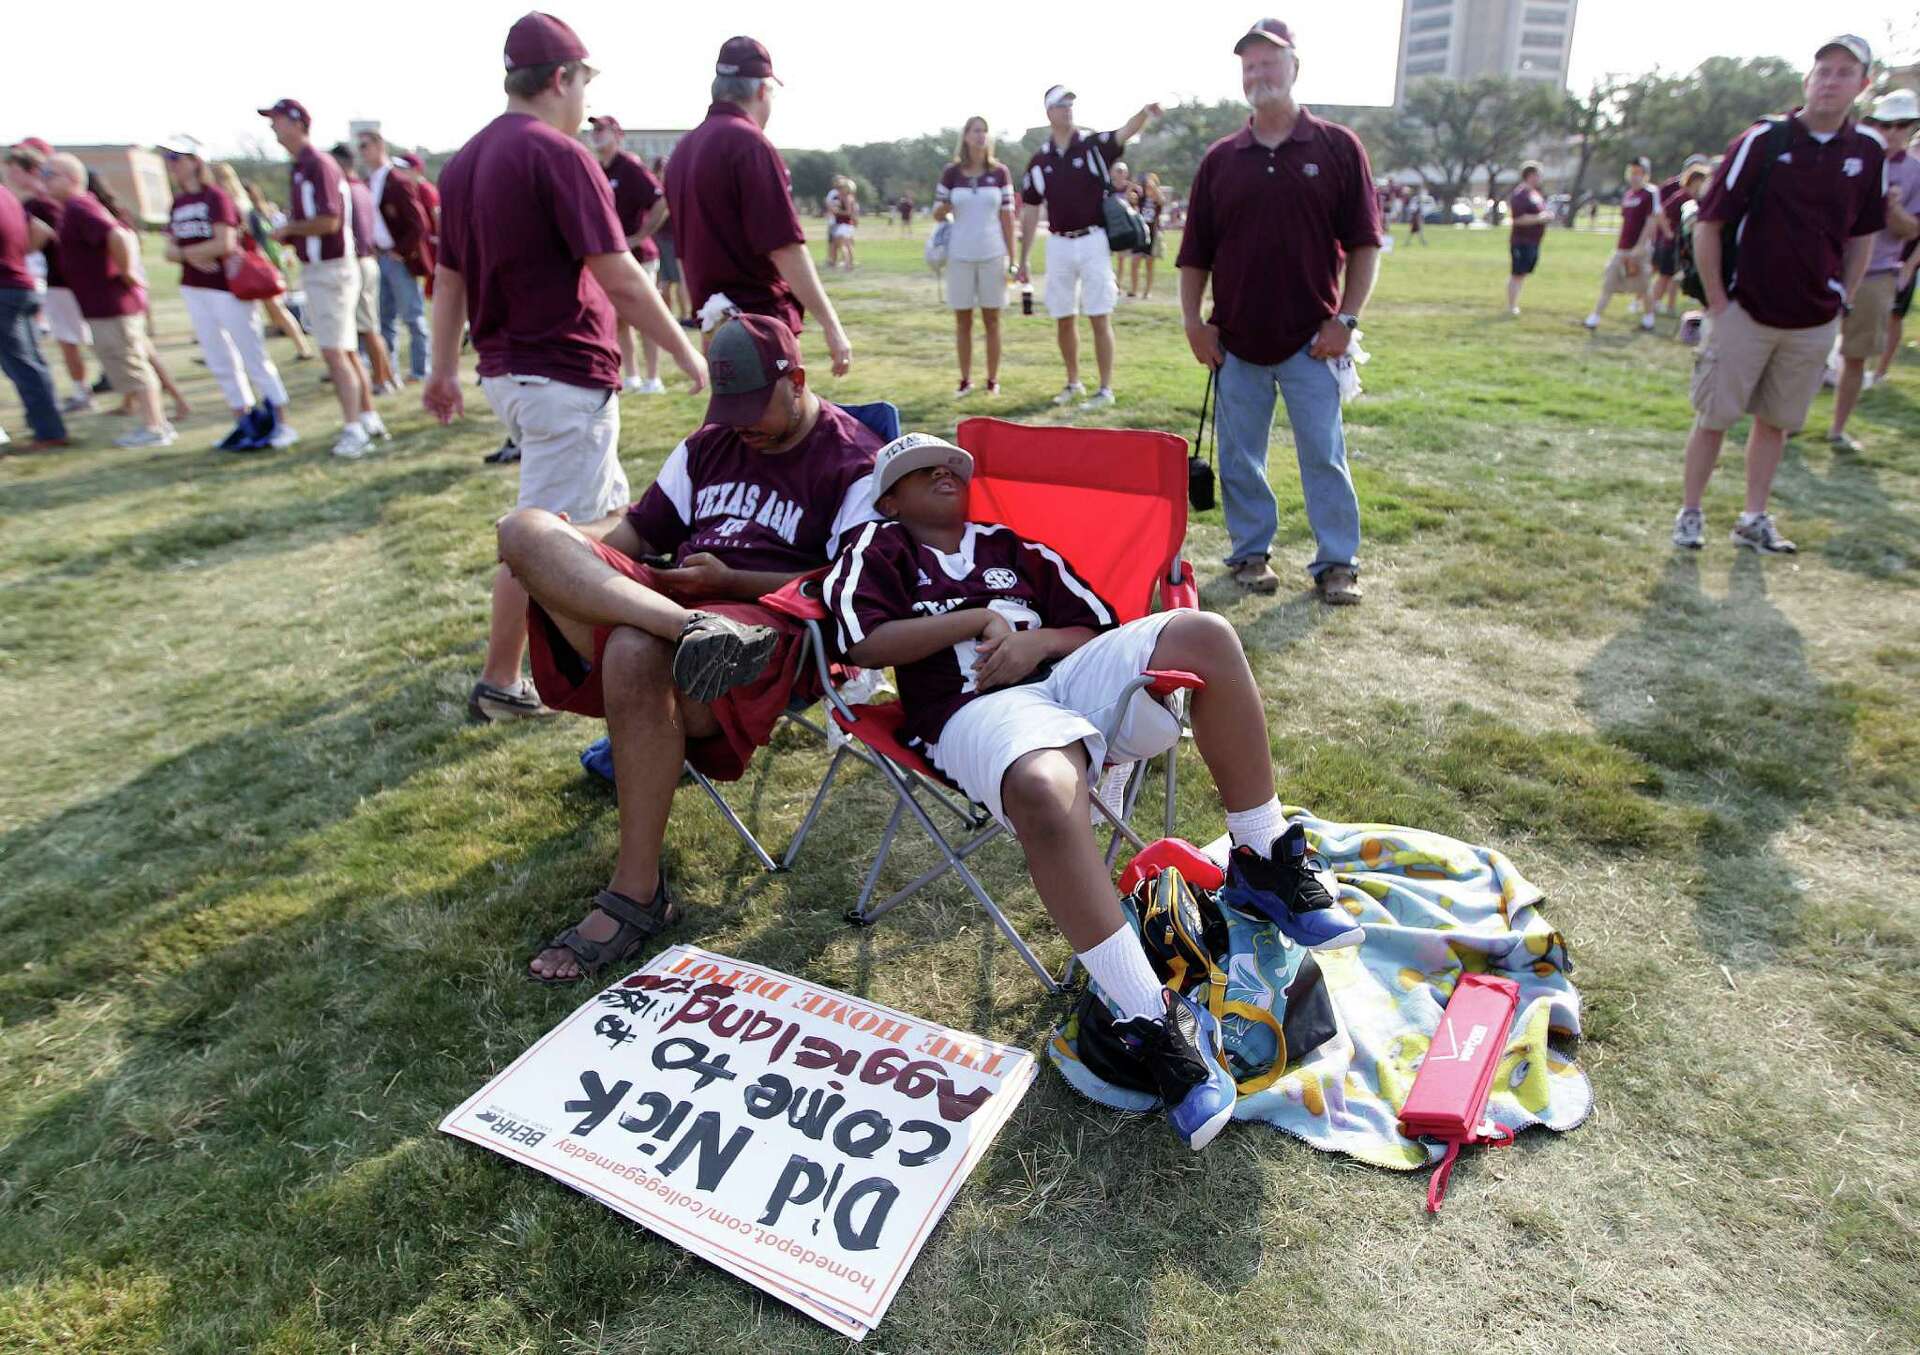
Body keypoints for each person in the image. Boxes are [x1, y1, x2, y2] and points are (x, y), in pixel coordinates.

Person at [822, 433, 1362, 1150]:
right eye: (921, 472)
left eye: (954, 466)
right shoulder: (877, 549)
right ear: (890, 498)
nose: (946, 474)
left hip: (1062, 675)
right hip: (969, 709)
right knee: (1046, 789)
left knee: (1205, 632)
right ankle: (1148, 1016)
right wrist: (980, 621)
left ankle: (1262, 858)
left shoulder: (1012, 548)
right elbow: (859, 640)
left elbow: (1098, 624)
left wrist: (1034, 642)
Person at [495, 314, 880, 982]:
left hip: (766, 635)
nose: (741, 427)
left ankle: (636, 894)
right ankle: (685, 630)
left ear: (798, 380)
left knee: (634, 653)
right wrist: (566, 547)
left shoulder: (855, 459)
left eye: (753, 408)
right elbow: (638, 533)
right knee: (523, 527)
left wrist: (731, 581)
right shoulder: (710, 443)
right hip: (679, 612)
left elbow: (855, 589)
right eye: (727, 411)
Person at [423, 10, 708, 724]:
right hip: (558, 369)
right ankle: (500, 679)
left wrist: (441, 369)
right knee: (541, 539)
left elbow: (448, 279)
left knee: (605, 521)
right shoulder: (558, 152)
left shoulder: (462, 163)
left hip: (510, 371)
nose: (583, 99)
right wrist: (681, 346)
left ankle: (592, 646)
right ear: (560, 79)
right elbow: (617, 274)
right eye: (581, 82)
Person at [1177, 18, 1381, 604]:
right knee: (1241, 459)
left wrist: (1346, 319)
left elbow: (1365, 243)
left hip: (1312, 341)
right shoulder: (1221, 159)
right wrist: (1194, 322)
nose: (1258, 74)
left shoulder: (1337, 147)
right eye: (1249, 66)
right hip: (1235, 339)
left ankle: (1337, 563)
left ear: (1295, 68)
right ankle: (1250, 554)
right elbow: (1195, 254)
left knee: (1325, 455)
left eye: (1270, 63)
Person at [1671, 35, 1885, 555]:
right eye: (1823, 70)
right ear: (1807, 80)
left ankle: (1753, 517)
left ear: (1864, 84)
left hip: (1813, 317)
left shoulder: (1866, 151)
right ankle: (1690, 513)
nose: (1831, 81)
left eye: (1844, 72)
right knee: (1715, 417)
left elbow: (1862, 235)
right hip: (1746, 307)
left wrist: (1842, 299)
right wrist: (1720, 302)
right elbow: (1710, 222)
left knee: (1777, 422)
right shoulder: (1765, 141)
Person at [665, 37, 851, 375]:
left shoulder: (684, 148)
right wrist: (831, 324)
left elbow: (683, 255)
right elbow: (784, 247)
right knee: (779, 423)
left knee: (736, 424)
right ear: (762, 91)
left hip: (715, 324)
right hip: (761, 326)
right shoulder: (748, 143)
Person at [1017, 84, 1162, 409]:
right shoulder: (1039, 160)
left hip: (1094, 239)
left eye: (1070, 104)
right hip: (1059, 244)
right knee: (1063, 316)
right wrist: (1023, 258)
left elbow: (1124, 132)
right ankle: (1073, 382)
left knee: (1099, 314)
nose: (1067, 109)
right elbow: (1029, 211)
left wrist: (1145, 112)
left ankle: (1105, 388)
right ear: (1048, 112)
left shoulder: (1092, 145)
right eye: (1060, 105)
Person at [258, 99, 381, 458]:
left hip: (331, 268)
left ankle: (354, 428)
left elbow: (329, 220)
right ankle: (368, 417)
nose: (273, 129)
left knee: (334, 352)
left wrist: (288, 229)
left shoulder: (317, 164)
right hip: (326, 267)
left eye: (278, 122)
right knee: (344, 349)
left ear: (297, 123)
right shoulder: (303, 165)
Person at [158, 136, 297, 451]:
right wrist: (194, 254)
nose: (172, 166)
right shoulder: (178, 203)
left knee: (253, 356)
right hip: (195, 287)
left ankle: (282, 422)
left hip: (228, 289)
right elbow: (169, 250)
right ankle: (245, 422)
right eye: (168, 159)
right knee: (219, 359)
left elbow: (225, 243)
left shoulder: (216, 198)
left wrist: (188, 251)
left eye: (176, 158)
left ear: (195, 160)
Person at [38, 154, 172, 447]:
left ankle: (154, 427)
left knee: (132, 364)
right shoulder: (72, 209)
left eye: (51, 174)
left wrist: (125, 272)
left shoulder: (79, 206)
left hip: (112, 303)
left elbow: (117, 236)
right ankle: (155, 423)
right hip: (100, 305)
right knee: (127, 364)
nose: (44, 180)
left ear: (72, 179)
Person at [1828, 88, 1920, 451]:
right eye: (1885, 124)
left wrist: (1891, 208)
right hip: (1828, 266)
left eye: (1901, 125)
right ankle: (1786, 423)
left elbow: (1911, 230)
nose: (1893, 132)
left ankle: (1837, 429)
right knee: (1804, 351)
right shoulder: (1849, 155)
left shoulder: (1915, 173)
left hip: (1876, 271)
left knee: (1855, 356)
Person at [4, 144, 93, 414]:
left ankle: (81, 394)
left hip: (60, 280)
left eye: (11, 170)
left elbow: (48, 232)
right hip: (54, 281)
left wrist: (21, 250)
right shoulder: (34, 200)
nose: (6, 175)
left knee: (75, 341)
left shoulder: (39, 203)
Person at [934, 115, 1015, 398]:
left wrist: (1013, 259)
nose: (981, 135)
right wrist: (944, 207)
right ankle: (965, 380)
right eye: (975, 131)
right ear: (966, 136)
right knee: (963, 321)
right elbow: (937, 211)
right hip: (960, 254)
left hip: (993, 254)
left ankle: (992, 380)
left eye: (984, 131)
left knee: (992, 320)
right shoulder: (951, 173)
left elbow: (1008, 217)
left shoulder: (1000, 172)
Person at [588, 115, 669, 394]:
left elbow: (660, 201)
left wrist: (640, 236)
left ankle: (653, 377)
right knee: (619, 317)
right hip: (613, 257)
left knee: (647, 315)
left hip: (639, 255)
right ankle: (632, 375)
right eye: (594, 129)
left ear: (617, 134)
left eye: (602, 129)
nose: (596, 133)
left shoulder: (630, 167)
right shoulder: (597, 168)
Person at [357, 129, 434, 386]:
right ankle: (389, 373)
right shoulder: (369, 182)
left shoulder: (398, 181)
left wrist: (401, 251)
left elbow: (419, 223)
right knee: (384, 319)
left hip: (398, 258)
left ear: (379, 146)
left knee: (412, 317)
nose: (362, 152)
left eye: (365, 146)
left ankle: (420, 369)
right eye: (360, 147)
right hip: (379, 257)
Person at [0, 175, 68, 449]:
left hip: (4, 289)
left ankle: (49, 430)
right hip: (20, 285)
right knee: (31, 363)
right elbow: (39, 228)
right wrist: (16, 256)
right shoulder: (6, 193)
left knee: (23, 365)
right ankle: (48, 425)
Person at [329, 142, 399, 394]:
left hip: (358, 262)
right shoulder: (362, 187)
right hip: (368, 260)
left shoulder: (348, 189)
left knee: (367, 328)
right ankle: (387, 376)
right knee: (370, 325)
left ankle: (383, 379)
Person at [237, 175, 314, 358]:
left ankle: (303, 347)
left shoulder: (251, 215)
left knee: (277, 309)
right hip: (266, 264)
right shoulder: (258, 212)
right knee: (273, 310)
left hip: (261, 266)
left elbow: (261, 243)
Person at [1584, 157, 1661, 331]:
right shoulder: (1628, 195)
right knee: (1609, 282)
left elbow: (1652, 221)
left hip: (1639, 250)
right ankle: (1594, 318)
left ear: (1646, 175)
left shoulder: (1650, 193)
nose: (1635, 177)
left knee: (1643, 286)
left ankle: (1649, 318)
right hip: (1622, 248)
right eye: (1632, 172)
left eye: (1639, 173)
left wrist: (1640, 246)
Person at [1648, 155, 1709, 317]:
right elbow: (1661, 212)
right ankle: (1652, 305)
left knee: (1675, 277)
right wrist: (1668, 232)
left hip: (1681, 244)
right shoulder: (1681, 197)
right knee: (1664, 276)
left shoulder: (1696, 199)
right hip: (1670, 244)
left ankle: (1670, 306)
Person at [1506, 161, 1551, 315]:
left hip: (1534, 241)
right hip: (1521, 242)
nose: (1540, 178)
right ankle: (1512, 305)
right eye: (1538, 175)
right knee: (1517, 274)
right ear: (1530, 175)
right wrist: (1539, 218)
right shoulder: (1520, 195)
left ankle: (1515, 303)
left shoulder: (1535, 194)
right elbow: (1517, 219)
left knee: (1523, 274)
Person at [650, 155, 690, 323]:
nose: (664, 172)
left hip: (672, 241)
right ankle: (669, 317)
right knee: (664, 282)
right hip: (659, 241)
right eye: (662, 169)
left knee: (677, 280)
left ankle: (684, 316)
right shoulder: (657, 188)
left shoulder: (673, 188)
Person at [1130, 171, 1166, 299]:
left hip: (1153, 233)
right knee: (1135, 262)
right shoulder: (1141, 198)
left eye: (1151, 186)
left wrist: (1153, 184)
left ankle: (1147, 291)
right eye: (1147, 185)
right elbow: (1129, 197)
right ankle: (1134, 290)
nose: (1148, 188)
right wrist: (1133, 184)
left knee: (1149, 264)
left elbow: (1162, 200)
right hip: (1140, 233)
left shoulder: (1158, 201)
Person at [824, 176, 858, 271]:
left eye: (840, 188)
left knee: (843, 245)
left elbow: (848, 212)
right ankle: (850, 264)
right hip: (846, 225)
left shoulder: (847, 198)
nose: (838, 189)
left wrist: (837, 212)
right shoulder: (847, 197)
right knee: (847, 245)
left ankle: (847, 265)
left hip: (844, 224)